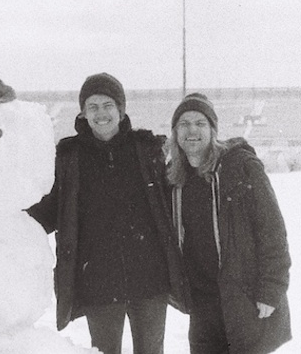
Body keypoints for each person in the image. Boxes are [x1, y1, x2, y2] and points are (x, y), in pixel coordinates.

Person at [27, 73, 187, 354]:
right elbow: (49, 210)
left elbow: (177, 195)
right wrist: (9, 223)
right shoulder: (69, 157)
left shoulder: (146, 149)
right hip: (98, 281)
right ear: (83, 113)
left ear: (121, 110)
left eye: (108, 105)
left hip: (150, 278)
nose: (101, 114)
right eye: (93, 107)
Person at [168, 93, 291, 354]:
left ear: (213, 130)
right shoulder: (175, 179)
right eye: (184, 124)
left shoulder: (240, 167)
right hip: (202, 305)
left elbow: (272, 230)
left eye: (200, 123)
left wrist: (271, 289)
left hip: (244, 297)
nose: (192, 131)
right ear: (175, 132)